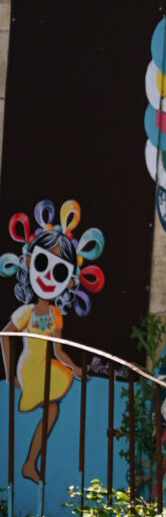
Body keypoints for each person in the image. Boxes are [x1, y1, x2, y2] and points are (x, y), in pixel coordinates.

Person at [0, 200, 104, 483]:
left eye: (58, 272)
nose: (47, 276)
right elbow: (6, 336)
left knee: (53, 408)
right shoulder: (26, 312)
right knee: (53, 408)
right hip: (29, 368)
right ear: (31, 263)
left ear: (68, 280)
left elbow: (58, 351)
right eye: (43, 264)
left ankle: (29, 464)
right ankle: (29, 463)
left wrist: (75, 369)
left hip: (44, 365)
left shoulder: (56, 314)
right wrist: (10, 375)